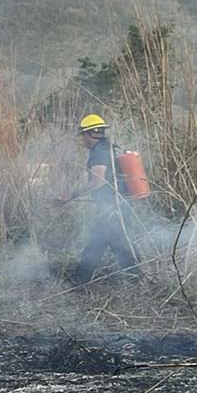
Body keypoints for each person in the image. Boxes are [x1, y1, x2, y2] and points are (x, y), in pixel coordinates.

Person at [63, 114, 138, 283]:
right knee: (117, 243)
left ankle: (79, 280)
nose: (83, 140)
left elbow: (98, 180)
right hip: (121, 205)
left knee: (97, 241)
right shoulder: (112, 148)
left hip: (112, 208)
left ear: (90, 134)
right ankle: (137, 277)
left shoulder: (99, 152)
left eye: (83, 135)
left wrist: (71, 195)